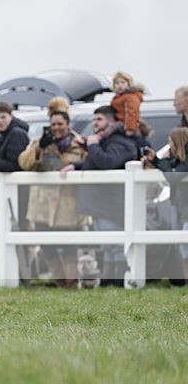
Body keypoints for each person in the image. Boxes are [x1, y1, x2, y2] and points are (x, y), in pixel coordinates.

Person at [18, 98, 88, 287]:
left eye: (60, 124)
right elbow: (24, 163)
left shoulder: (79, 145)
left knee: (68, 247)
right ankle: (60, 282)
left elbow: (90, 163)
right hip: (43, 203)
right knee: (47, 246)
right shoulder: (39, 143)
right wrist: (40, 146)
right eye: (53, 124)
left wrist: (76, 166)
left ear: (68, 124)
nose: (56, 128)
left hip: (69, 203)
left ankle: (73, 283)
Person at [64, 105, 137, 286]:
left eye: (99, 119)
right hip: (99, 204)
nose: (95, 123)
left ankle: (119, 282)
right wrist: (77, 166)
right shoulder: (104, 142)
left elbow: (107, 162)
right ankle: (107, 283)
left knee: (116, 245)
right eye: (94, 119)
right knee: (106, 246)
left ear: (110, 121)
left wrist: (93, 145)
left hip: (111, 204)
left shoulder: (120, 142)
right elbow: (95, 163)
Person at [146, 127, 188, 281]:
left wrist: (162, 162)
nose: (169, 145)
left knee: (185, 246)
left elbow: (173, 176)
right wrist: (156, 161)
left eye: (171, 141)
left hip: (184, 208)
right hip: (180, 207)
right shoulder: (178, 160)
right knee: (179, 245)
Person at [110, 71, 144, 136]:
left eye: (123, 82)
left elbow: (132, 113)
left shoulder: (130, 97)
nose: (120, 85)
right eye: (117, 83)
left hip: (127, 126)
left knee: (111, 128)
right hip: (121, 123)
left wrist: (129, 128)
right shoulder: (117, 97)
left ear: (128, 84)